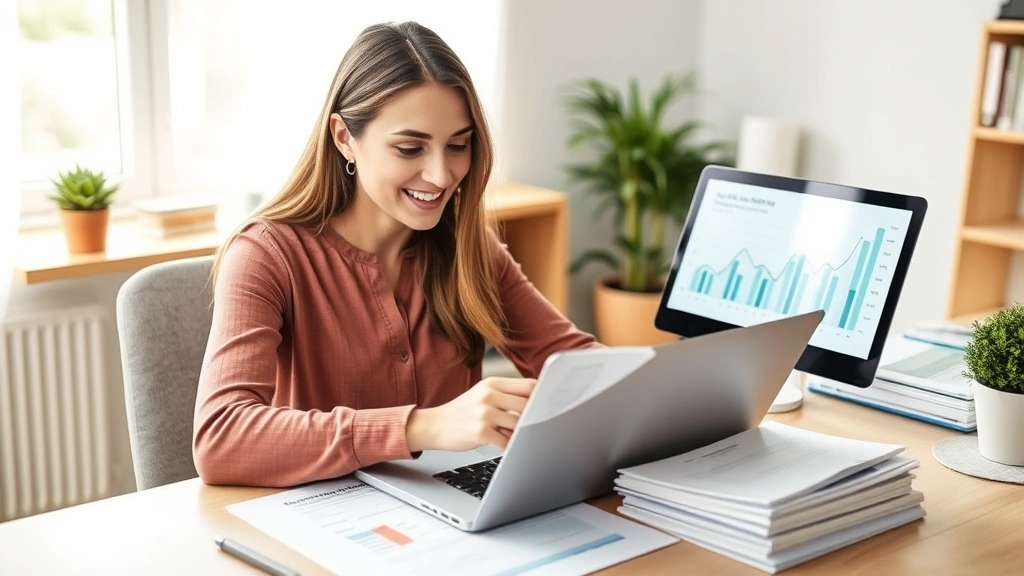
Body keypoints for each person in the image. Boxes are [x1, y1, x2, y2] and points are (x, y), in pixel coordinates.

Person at [192, 21, 600, 488]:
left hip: (451, 510)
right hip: (325, 515)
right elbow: (221, 438)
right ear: (344, 137)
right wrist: (421, 426)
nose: (441, 175)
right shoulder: (266, 255)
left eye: (458, 145)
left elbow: (577, 363)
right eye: (409, 148)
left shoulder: (469, 247)